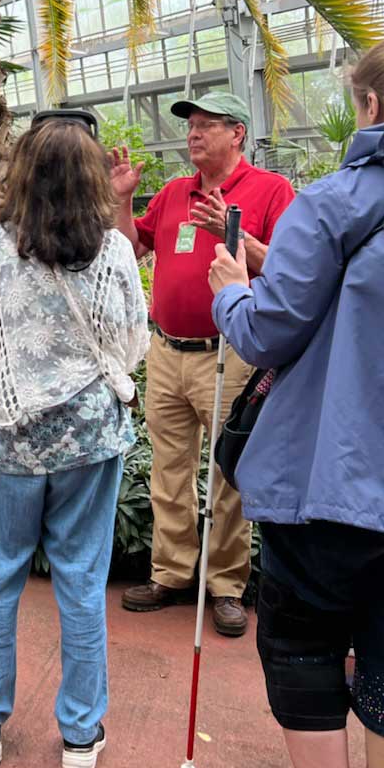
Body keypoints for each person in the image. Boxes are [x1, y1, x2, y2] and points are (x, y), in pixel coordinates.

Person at [208, 37, 384, 768]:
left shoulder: (335, 202)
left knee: (300, 647)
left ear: (369, 107)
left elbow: (268, 333)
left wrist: (229, 288)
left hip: (330, 478)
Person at [0, 113, 149, 768]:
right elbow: (132, 346)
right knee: (83, 582)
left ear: (22, 173)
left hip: (10, 440)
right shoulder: (115, 249)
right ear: (93, 176)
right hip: (92, 439)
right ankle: (81, 734)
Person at [111, 91, 295, 636]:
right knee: (169, 470)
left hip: (232, 353)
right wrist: (122, 202)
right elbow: (130, 252)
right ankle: (170, 573)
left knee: (227, 473)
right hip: (167, 351)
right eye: (190, 126)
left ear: (236, 133)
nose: (193, 134)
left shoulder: (270, 190)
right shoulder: (173, 193)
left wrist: (232, 236)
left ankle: (226, 586)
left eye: (206, 125)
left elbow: (289, 269)